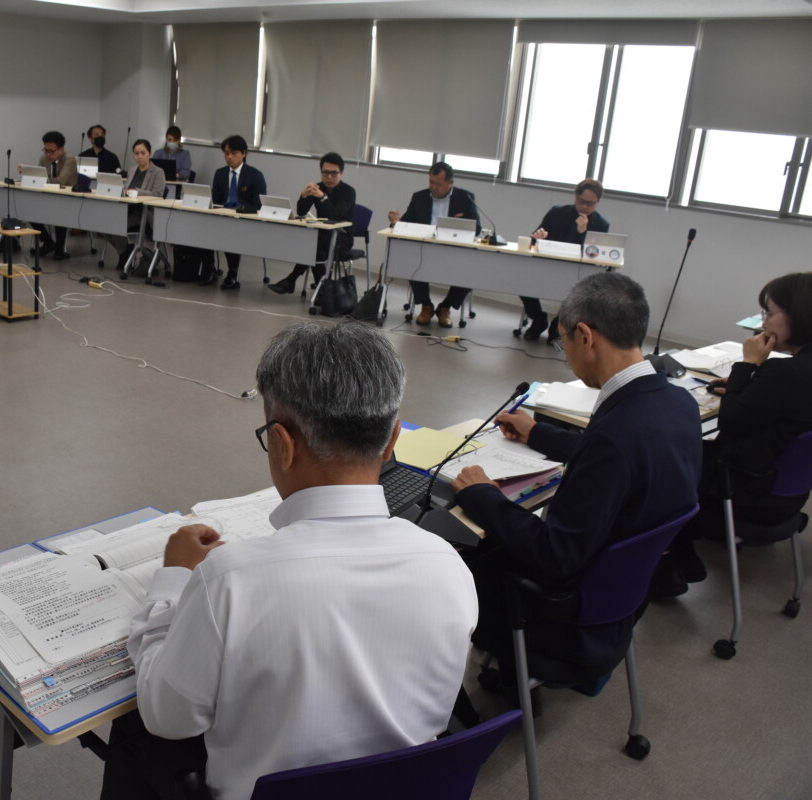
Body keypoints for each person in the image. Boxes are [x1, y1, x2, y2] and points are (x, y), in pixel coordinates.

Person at [100, 322, 478, 800]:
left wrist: (173, 579)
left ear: (282, 444)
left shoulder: (230, 580)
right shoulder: (448, 565)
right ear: (391, 441)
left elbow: (167, 717)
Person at [451, 272, 701, 675]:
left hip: (565, 613)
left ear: (584, 336)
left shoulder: (614, 437)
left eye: (562, 340)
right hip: (621, 596)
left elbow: (555, 555)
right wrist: (538, 433)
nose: (564, 351)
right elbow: (624, 459)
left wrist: (482, 494)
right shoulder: (678, 403)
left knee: (462, 560)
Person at [655, 272, 812, 596]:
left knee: (667, 459)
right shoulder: (795, 372)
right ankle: (683, 550)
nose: (763, 322)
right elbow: (780, 404)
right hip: (789, 495)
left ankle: (667, 559)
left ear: (798, 315)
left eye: (769, 312)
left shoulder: (786, 373)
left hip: (743, 492)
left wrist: (748, 364)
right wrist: (750, 385)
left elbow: (731, 422)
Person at [387, 161, 478, 328]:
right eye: (431, 182)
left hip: (455, 251)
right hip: (425, 249)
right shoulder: (419, 197)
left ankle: (445, 307)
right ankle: (426, 305)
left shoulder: (465, 198)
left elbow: (476, 228)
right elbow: (406, 224)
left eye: (438, 184)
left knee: (471, 270)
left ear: (451, 183)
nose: (433, 187)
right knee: (411, 261)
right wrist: (396, 222)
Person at [521, 178, 610, 342]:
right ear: (576, 197)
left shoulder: (601, 224)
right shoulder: (557, 212)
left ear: (598, 202)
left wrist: (582, 232)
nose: (585, 206)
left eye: (590, 203)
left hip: (577, 272)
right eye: (581, 201)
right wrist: (539, 238)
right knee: (522, 280)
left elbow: (593, 255)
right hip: (548, 265)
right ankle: (539, 320)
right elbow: (534, 239)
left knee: (582, 292)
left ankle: (558, 324)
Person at [268, 152, 356, 295]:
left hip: (342, 237)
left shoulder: (349, 192)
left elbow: (336, 214)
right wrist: (304, 196)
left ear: (341, 173)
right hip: (321, 235)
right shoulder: (318, 187)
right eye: (325, 172)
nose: (329, 177)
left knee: (313, 247)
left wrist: (323, 197)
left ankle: (292, 280)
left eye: (333, 173)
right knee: (313, 246)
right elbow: (301, 211)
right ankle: (321, 289)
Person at [207, 134, 267, 290]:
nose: (229, 157)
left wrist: (240, 209)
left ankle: (233, 273)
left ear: (244, 154)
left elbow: (260, 206)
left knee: (230, 231)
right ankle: (209, 269)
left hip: (244, 219)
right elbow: (215, 200)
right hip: (223, 216)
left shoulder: (255, 176)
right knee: (203, 227)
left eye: (233, 153)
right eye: (226, 153)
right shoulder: (220, 174)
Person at [108, 139, 165, 277]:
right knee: (105, 223)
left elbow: (158, 194)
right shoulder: (132, 169)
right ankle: (124, 251)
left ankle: (125, 254)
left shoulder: (158, 172)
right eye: (136, 153)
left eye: (142, 153)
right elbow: (127, 190)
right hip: (128, 209)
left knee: (116, 224)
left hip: (145, 213)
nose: (139, 156)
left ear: (149, 154)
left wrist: (137, 192)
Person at [20, 130, 77, 260]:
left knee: (59, 212)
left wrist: (41, 180)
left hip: (67, 199)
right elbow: (37, 177)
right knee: (29, 210)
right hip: (48, 197)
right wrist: (27, 172)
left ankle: (59, 249)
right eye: (45, 150)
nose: (48, 154)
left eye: (51, 151)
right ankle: (48, 241)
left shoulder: (69, 159)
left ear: (61, 149)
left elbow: (60, 181)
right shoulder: (43, 158)